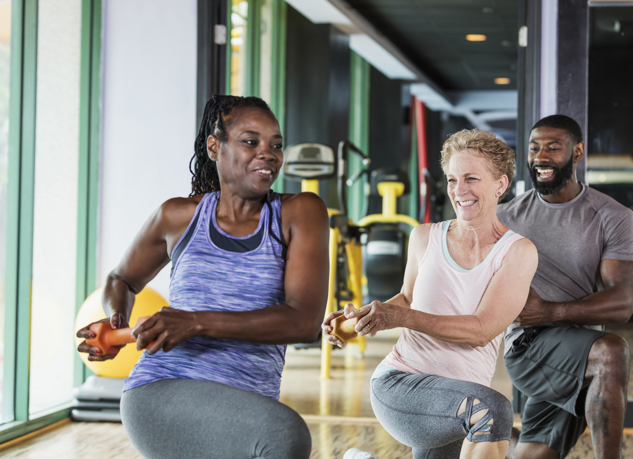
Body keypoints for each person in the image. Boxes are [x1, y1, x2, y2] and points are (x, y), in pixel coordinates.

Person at [76, 95, 329, 459]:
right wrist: (118, 324)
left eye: (276, 145)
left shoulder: (299, 213)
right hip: (162, 387)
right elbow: (122, 279)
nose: (268, 153)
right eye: (250, 141)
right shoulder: (178, 216)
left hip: (244, 399)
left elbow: (304, 321)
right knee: (284, 435)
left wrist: (196, 322)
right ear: (215, 146)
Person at [324, 129, 538, 459]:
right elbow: (406, 300)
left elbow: (482, 331)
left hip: (456, 397)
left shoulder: (517, 252)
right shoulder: (424, 237)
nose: (459, 190)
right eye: (452, 180)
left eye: (471, 178)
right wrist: (361, 319)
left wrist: (400, 316)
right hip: (402, 384)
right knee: (492, 410)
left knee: (487, 410)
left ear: (501, 185)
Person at [497, 115, 633, 459]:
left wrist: (550, 311)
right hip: (529, 345)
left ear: (577, 153)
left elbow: (623, 302)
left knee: (532, 456)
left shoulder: (613, 217)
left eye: (553, 147)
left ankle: (485, 429)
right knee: (612, 353)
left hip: (580, 346)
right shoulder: (506, 218)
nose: (541, 157)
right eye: (534, 148)